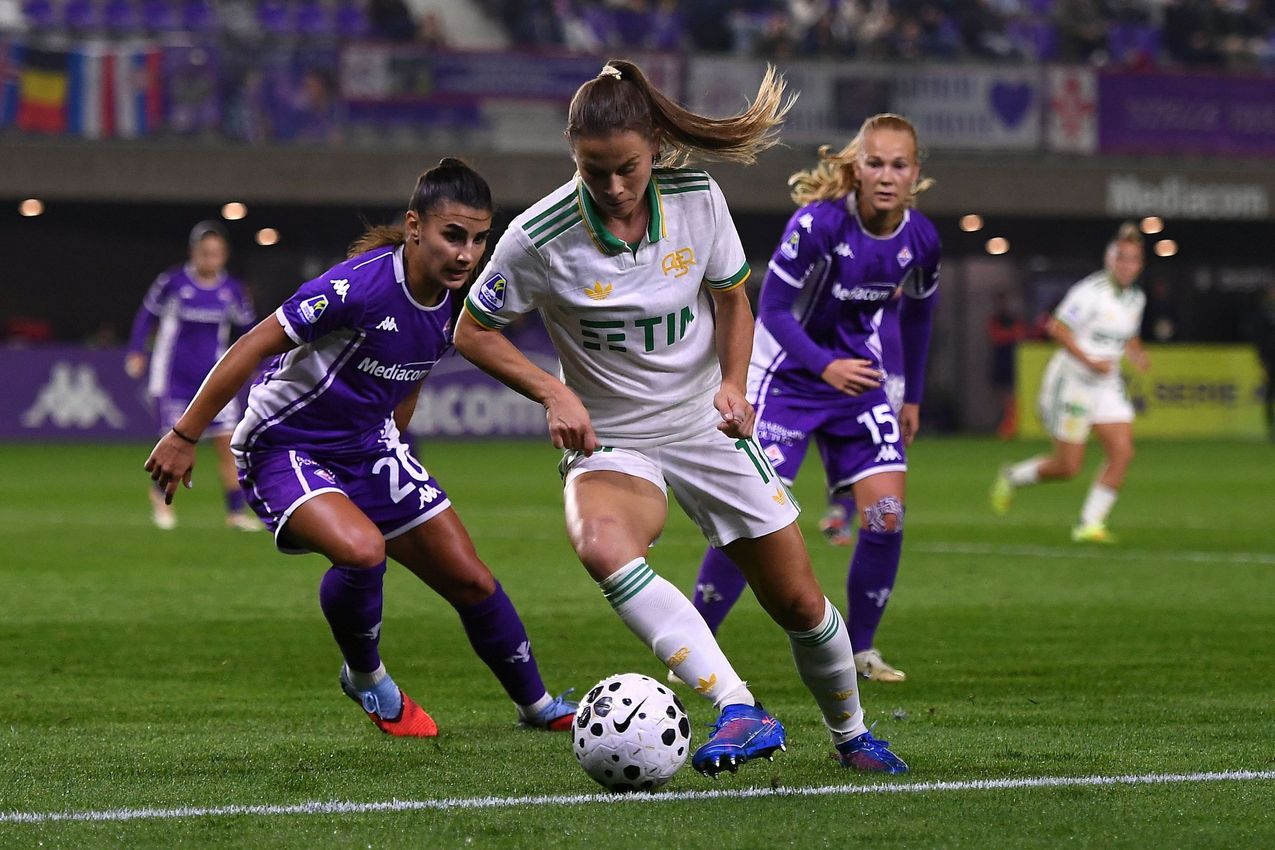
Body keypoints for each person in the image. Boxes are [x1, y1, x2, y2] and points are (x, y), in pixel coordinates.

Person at [454, 60, 907, 776]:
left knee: (798, 602)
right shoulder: (538, 235)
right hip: (614, 438)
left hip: (704, 425)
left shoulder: (697, 198)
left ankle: (851, 734)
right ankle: (736, 706)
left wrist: (734, 383)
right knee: (602, 546)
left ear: (655, 148)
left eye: (625, 168)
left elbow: (732, 299)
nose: (610, 187)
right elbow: (472, 329)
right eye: (591, 170)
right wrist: (552, 392)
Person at [144, 159, 577, 738]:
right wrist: (184, 434)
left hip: (368, 448)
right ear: (415, 225)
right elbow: (252, 343)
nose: (467, 254)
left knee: (470, 578)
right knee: (362, 550)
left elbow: (412, 373)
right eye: (453, 236)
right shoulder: (358, 286)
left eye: (478, 240)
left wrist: (395, 443)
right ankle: (366, 677)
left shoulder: (456, 303)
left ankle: (536, 705)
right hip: (283, 445)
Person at [687, 113, 941, 685]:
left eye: (898, 165)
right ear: (857, 166)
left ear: (914, 173)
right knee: (750, 514)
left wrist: (912, 395)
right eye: (874, 162)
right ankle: (695, 645)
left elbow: (920, 314)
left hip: (856, 380)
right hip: (785, 374)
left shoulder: (920, 239)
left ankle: (864, 649)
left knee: (886, 515)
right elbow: (772, 310)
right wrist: (824, 365)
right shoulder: (819, 224)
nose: (886, 175)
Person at [991, 222, 1149, 542]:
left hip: (1107, 383)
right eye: (1121, 259)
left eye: (1133, 260)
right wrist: (1089, 360)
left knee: (1122, 452)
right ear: (1110, 260)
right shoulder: (1090, 292)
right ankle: (1013, 476)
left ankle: (1089, 524)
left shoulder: (1136, 299)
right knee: (1067, 467)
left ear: (1140, 264)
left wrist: (1135, 351)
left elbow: (1127, 331)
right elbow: (1057, 328)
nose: (1126, 266)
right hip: (1075, 379)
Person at [126, 221, 260, 532]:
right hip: (173, 380)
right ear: (193, 253)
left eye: (215, 253)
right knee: (179, 446)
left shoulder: (232, 291)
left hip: (214, 380)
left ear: (224, 255)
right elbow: (147, 315)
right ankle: (160, 498)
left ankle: (236, 512)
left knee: (229, 445)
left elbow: (249, 331)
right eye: (204, 253)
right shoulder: (172, 283)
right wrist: (136, 350)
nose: (209, 259)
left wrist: (256, 362)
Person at [986, 289, 1026, 440]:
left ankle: (1010, 425)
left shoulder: (1013, 319)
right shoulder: (995, 319)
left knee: (1012, 393)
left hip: (1012, 358)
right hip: (999, 357)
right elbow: (994, 335)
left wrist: (1007, 336)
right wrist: (1008, 335)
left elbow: (1019, 334)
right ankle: (1005, 423)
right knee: (1001, 393)